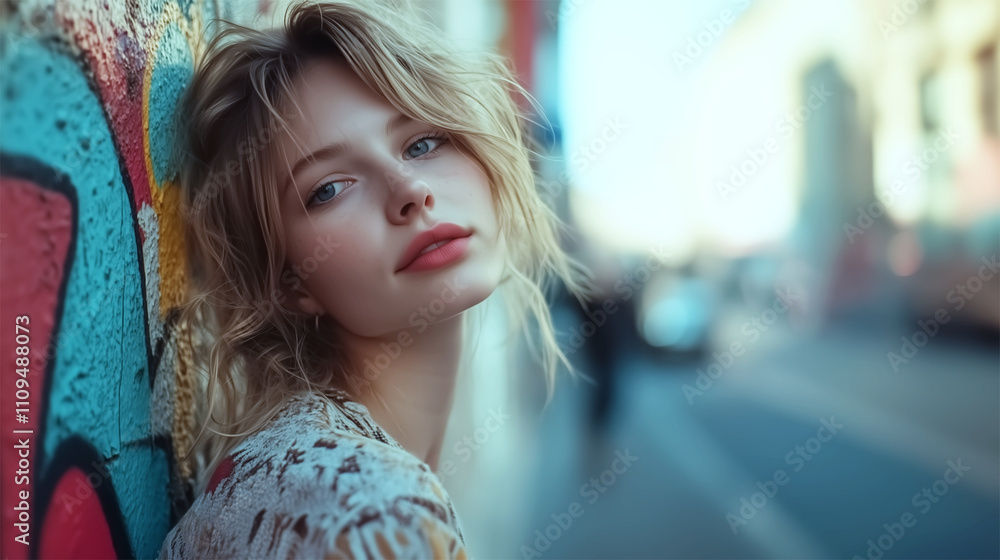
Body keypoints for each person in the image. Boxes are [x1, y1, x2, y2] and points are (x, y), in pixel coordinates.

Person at [158, 1, 594, 558]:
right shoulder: (374, 514)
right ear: (291, 281)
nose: (408, 189)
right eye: (329, 188)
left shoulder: (297, 473)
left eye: (422, 143)